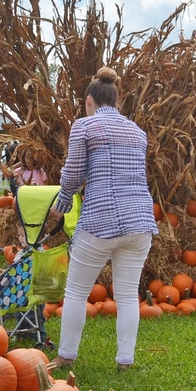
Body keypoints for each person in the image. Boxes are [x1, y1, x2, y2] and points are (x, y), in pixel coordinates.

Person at [50, 66, 158, 370]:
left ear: (89, 101)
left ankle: (66, 356)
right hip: (140, 222)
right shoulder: (138, 132)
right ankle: (125, 360)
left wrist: (63, 201)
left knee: (76, 291)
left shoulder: (85, 126)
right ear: (116, 99)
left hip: (101, 220)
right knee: (126, 294)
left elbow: (72, 173)